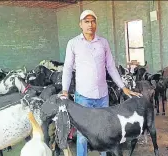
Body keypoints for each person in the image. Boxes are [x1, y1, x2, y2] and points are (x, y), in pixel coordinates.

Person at [61, 10, 142, 156]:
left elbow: (111, 66)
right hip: (83, 98)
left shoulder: (103, 42)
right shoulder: (73, 44)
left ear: (96, 24)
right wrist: (65, 90)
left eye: (93, 21)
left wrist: (123, 87)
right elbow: (67, 68)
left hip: (102, 96)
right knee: (82, 136)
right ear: (80, 24)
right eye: (86, 21)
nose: (90, 24)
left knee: (105, 133)